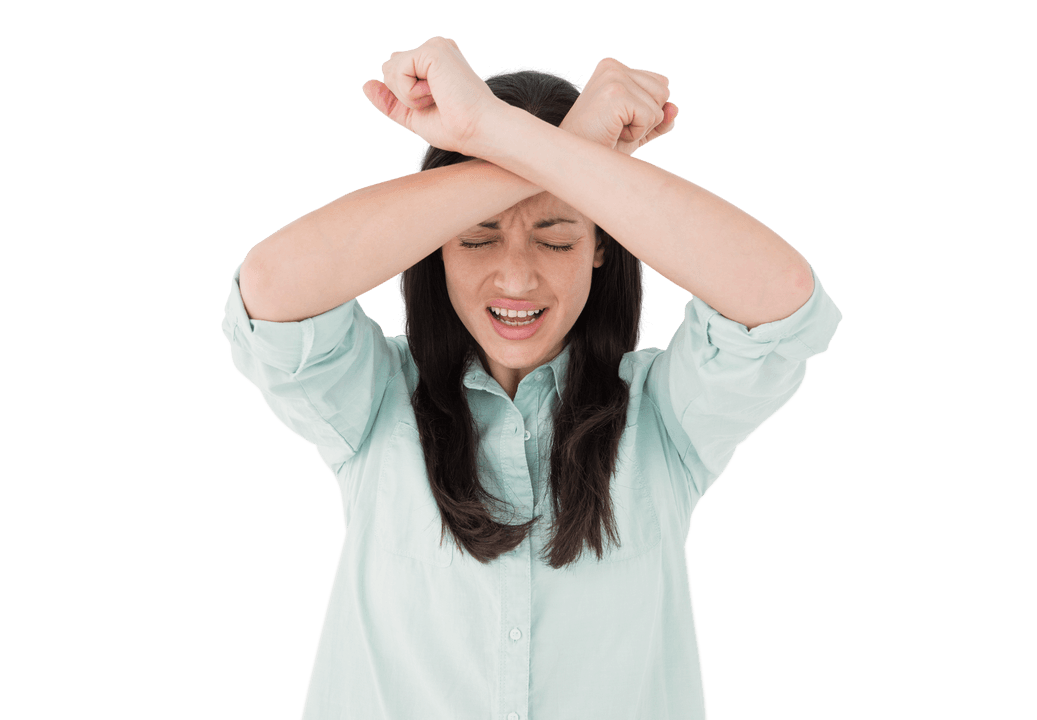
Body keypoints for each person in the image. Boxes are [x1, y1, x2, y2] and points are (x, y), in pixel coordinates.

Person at [220, 37, 842, 720]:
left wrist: (498, 133)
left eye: (556, 237)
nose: (516, 278)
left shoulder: (662, 416)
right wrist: (540, 147)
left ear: (602, 242)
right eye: (478, 236)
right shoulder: (376, 401)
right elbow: (271, 291)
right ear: (435, 243)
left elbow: (781, 298)